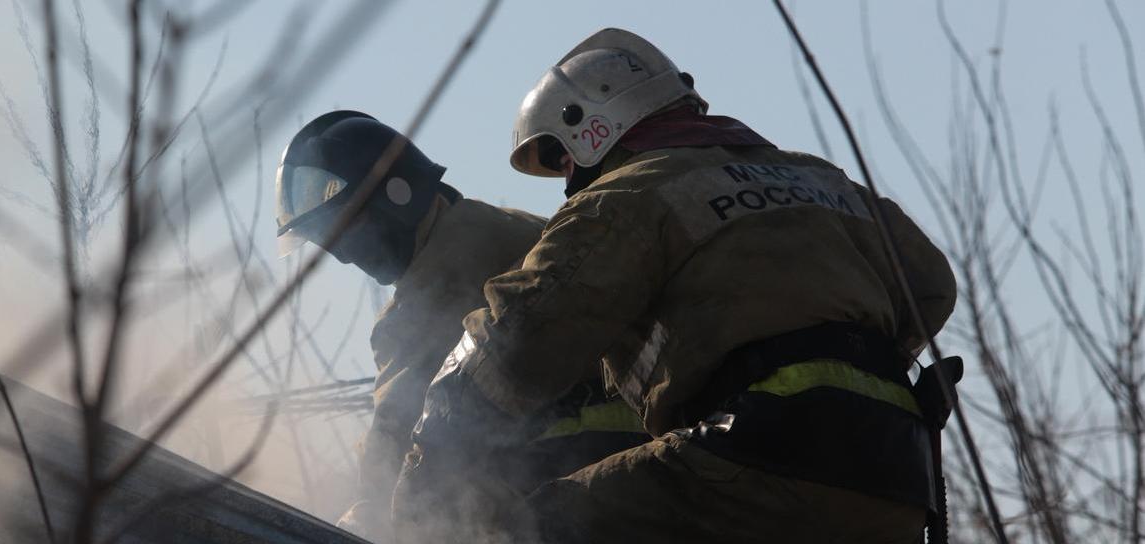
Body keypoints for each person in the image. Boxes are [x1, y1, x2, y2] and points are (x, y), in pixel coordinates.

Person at [395, 28, 960, 543]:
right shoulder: (819, 177)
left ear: (591, 125)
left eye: (561, 157)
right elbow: (933, 286)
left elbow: (521, 337)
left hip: (756, 456)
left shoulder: (624, 198)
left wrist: (431, 460)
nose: (566, 180)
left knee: (524, 532)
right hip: (897, 482)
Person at [274, 111, 648, 542]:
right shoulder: (513, 226)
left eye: (347, 230)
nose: (343, 255)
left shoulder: (439, 282)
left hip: (555, 476)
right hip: (630, 465)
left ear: (396, 197)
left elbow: (398, 426)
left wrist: (366, 511)